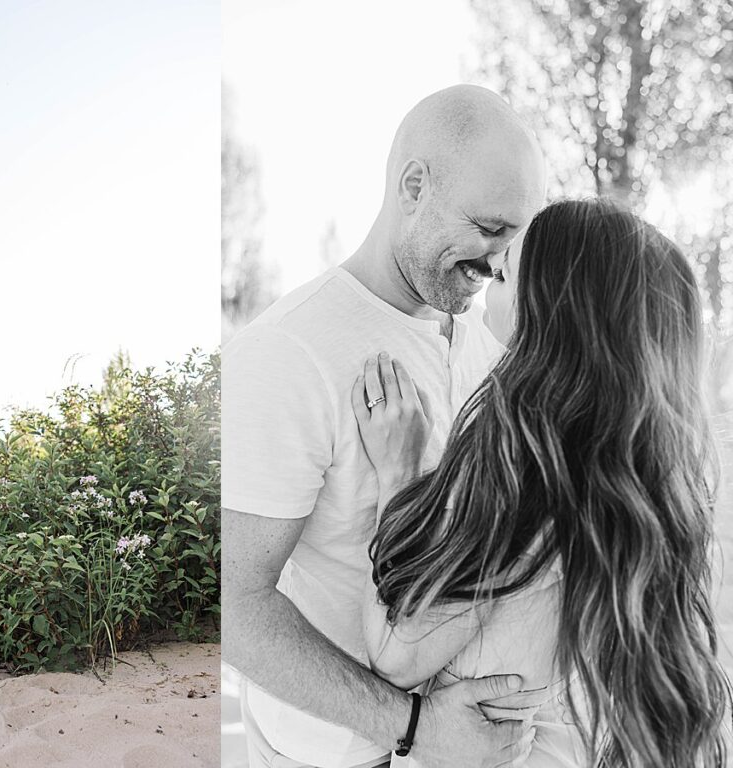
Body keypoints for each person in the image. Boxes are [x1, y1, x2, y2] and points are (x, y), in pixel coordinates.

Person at [222, 84, 545, 767]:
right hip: (333, 751)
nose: (497, 262)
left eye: (513, 239)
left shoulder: (489, 347)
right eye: (488, 229)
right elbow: (234, 608)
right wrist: (414, 725)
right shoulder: (288, 353)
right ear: (413, 185)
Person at [354, 198, 732, 767]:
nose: (487, 286)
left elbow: (394, 653)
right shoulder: (650, 487)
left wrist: (399, 476)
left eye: (505, 276)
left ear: (555, 317)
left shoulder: (520, 471)